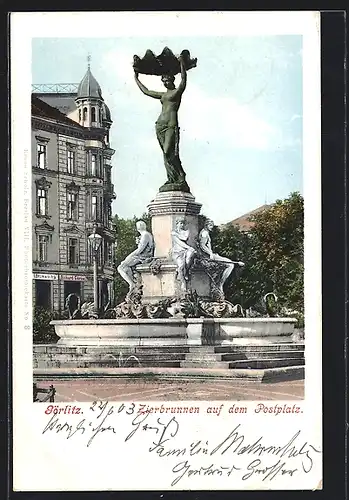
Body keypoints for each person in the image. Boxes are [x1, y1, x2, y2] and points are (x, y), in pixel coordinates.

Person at [134, 55, 189, 192]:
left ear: (171, 80)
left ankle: (180, 177)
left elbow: (183, 81)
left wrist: (182, 64)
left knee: (169, 152)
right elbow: (146, 91)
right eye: (163, 81)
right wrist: (136, 78)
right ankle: (173, 178)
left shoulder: (177, 92)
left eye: (166, 80)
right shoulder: (163, 95)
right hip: (160, 126)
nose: (164, 83)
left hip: (171, 125)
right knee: (166, 155)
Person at [198, 219, 245, 290]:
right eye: (210, 225)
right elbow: (202, 245)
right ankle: (220, 284)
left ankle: (219, 284)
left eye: (212, 226)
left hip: (210, 255)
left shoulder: (205, 232)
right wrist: (210, 254)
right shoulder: (204, 233)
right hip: (208, 256)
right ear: (206, 225)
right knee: (230, 265)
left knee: (228, 262)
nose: (211, 227)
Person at [117, 220, 154, 293]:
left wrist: (129, 256)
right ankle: (133, 283)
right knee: (124, 266)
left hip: (142, 257)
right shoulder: (145, 235)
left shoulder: (145, 235)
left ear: (138, 227)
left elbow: (140, 250)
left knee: (121, 267)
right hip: (142, 256)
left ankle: (132, 284)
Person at [171, 217, 196, 291]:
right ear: (177, 224)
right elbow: (180, 243)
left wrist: (176, 234)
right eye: (180, 223)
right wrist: (189, 247)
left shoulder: (185, 232)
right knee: (181, 265)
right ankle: (183, 282)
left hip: (186, 250)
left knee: (189, 259)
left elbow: (184, 238)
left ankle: (185, 273)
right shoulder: (173, 233)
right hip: (177, 252)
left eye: (182, 223)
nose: (181, 225)